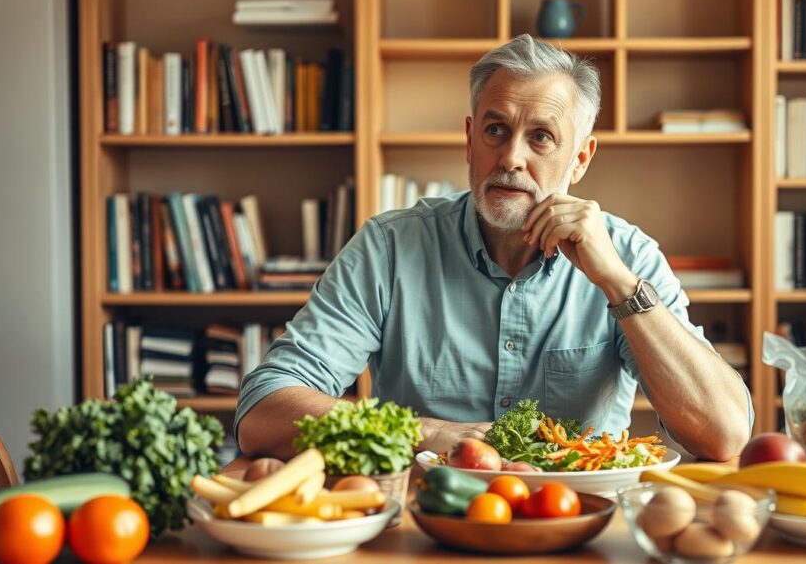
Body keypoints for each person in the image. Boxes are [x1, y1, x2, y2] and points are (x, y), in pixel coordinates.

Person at [236, 34, 752, 461]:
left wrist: (618, 285)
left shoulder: (629, 257)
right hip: (427, 522)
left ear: (580, 159)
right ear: (469, 141)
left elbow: (725, 434)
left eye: (542, 138)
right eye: (495, 130)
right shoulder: (389, 248)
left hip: (579, 524)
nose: (511, 158)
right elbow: (263, 412)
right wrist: (425, 433)